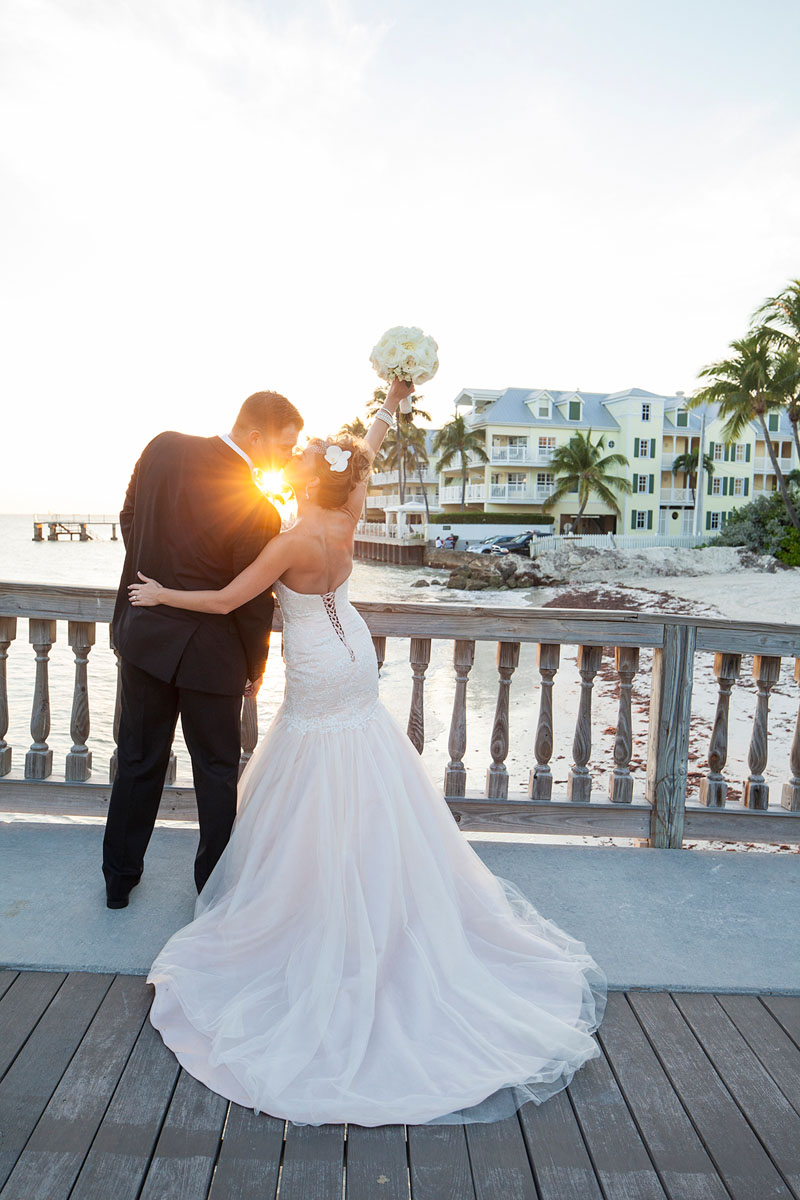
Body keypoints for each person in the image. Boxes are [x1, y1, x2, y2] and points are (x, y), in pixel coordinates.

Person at [127, 376, 607, 1128]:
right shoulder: (346, 517)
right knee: (366, 772)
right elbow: (369, 454)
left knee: (314, 773)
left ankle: (323, 898)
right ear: (345, 482)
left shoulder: (290, 539)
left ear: (305, 475)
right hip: (355, 656)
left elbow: (224, 602)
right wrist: (388, 405)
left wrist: (160, 596)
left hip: (319, 663)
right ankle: (373, 888)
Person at [103, 391, 304, 908]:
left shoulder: (162, 447)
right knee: (216, 771)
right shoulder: (256, 510)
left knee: (137, 761)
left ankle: (118, 883)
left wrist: (158, 575)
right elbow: (251, 603)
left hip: (146, 636)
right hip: (211, 657)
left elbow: (129, 517)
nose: (285, 458)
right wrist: (255, 665)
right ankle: (213, 893)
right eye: (284, 447)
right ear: (256, 436)